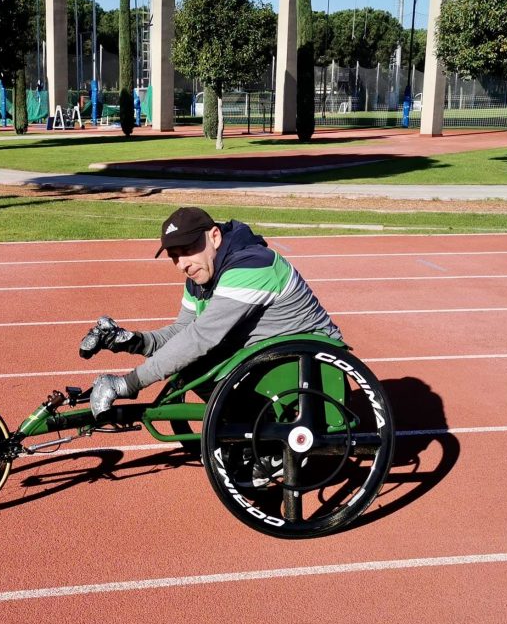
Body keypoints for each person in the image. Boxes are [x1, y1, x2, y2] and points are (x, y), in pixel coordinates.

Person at [81, 207, 343, 485]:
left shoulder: (252, 264)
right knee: (188, 364)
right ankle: (248, 432)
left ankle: (270, 445)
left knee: (195, 360)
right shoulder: (202, 274)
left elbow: (200, 338)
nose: (182, 263)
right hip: (271, 359)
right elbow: (183, 331)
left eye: (187, 250)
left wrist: (128, 384)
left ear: (215, 237)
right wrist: (133, 341)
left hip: (310, 369)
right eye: (174, 256)